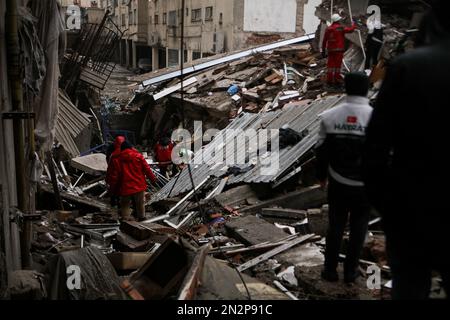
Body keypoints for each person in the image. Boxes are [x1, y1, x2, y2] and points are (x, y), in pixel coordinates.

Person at [363, 0, 450, 299]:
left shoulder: (408, 67)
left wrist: (387, 205)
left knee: (411, 286)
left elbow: (374, 148)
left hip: (412, 204)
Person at [315, 72, 373, 283]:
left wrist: (321, 177)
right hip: (365, 185)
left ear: (345, 88)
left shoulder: (330, 116)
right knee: (359, 227)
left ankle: (329, 271)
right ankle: (350, 272)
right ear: (367, 89)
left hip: (338, 181)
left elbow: (321, 151)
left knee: (336, 226)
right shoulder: (376, 118)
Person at [109, 141, 157, 221]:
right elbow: (147, 169)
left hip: (125, 187)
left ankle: (126, 221)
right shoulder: (139, 156)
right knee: (140, 204)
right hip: (139, 185)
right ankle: (141, 219)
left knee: (125, 205)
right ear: (131, 148)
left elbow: (115, 176)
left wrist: (113, 189)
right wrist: (153, 179)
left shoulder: (117, 159)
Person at [322, 14, 356, 87]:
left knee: (330, 66)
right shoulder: (340, 28)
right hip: (339, 50)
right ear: (338, 20)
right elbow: (350, 30)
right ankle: (337, 80)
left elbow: (324, 40)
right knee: (337, 67)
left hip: (331, 50)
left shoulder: (328, 29)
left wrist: (323, 50)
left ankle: (330, 80)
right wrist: (353, 24)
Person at [105, 135, 125, 207]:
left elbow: (109, 166)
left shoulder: (113, 154)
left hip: (115, 173)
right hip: (119, 174)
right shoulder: (127, 151)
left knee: (114, 189)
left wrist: (107, 178)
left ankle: (114, 202)